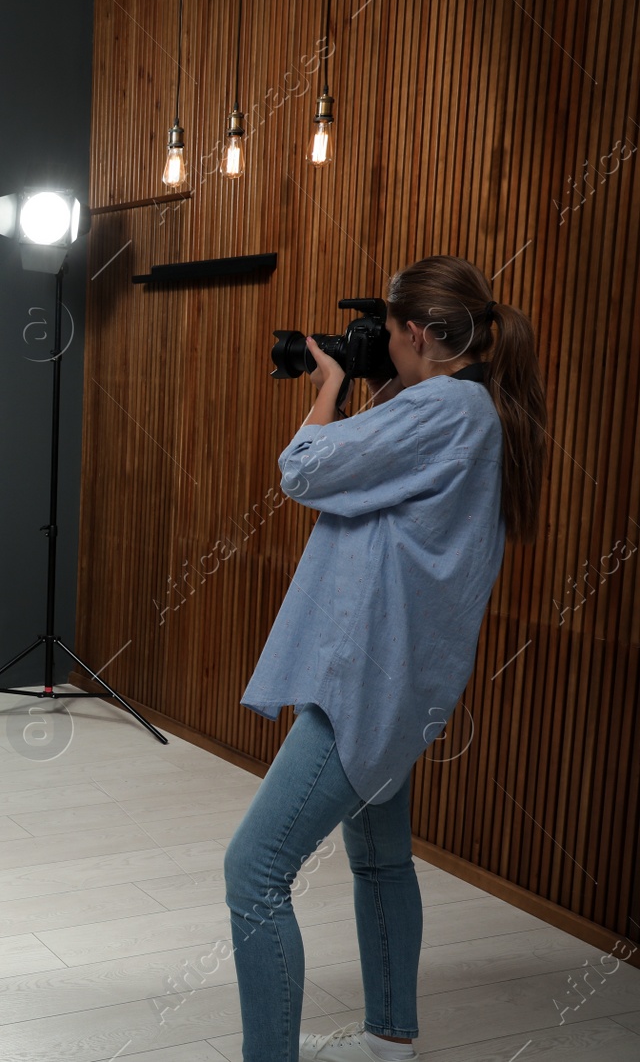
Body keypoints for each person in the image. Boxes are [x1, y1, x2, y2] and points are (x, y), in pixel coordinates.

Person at [226, 256, 546, 1061]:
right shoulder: (473, 407)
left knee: (254, 870)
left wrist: (329, 383)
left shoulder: (443, 405)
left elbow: (305, 470)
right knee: (380, 861)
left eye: (392, 337)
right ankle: (389, 1037)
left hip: (363, 679)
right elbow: (381, 480)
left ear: (417, 334)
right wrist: (380, 383)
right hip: (406, 681)